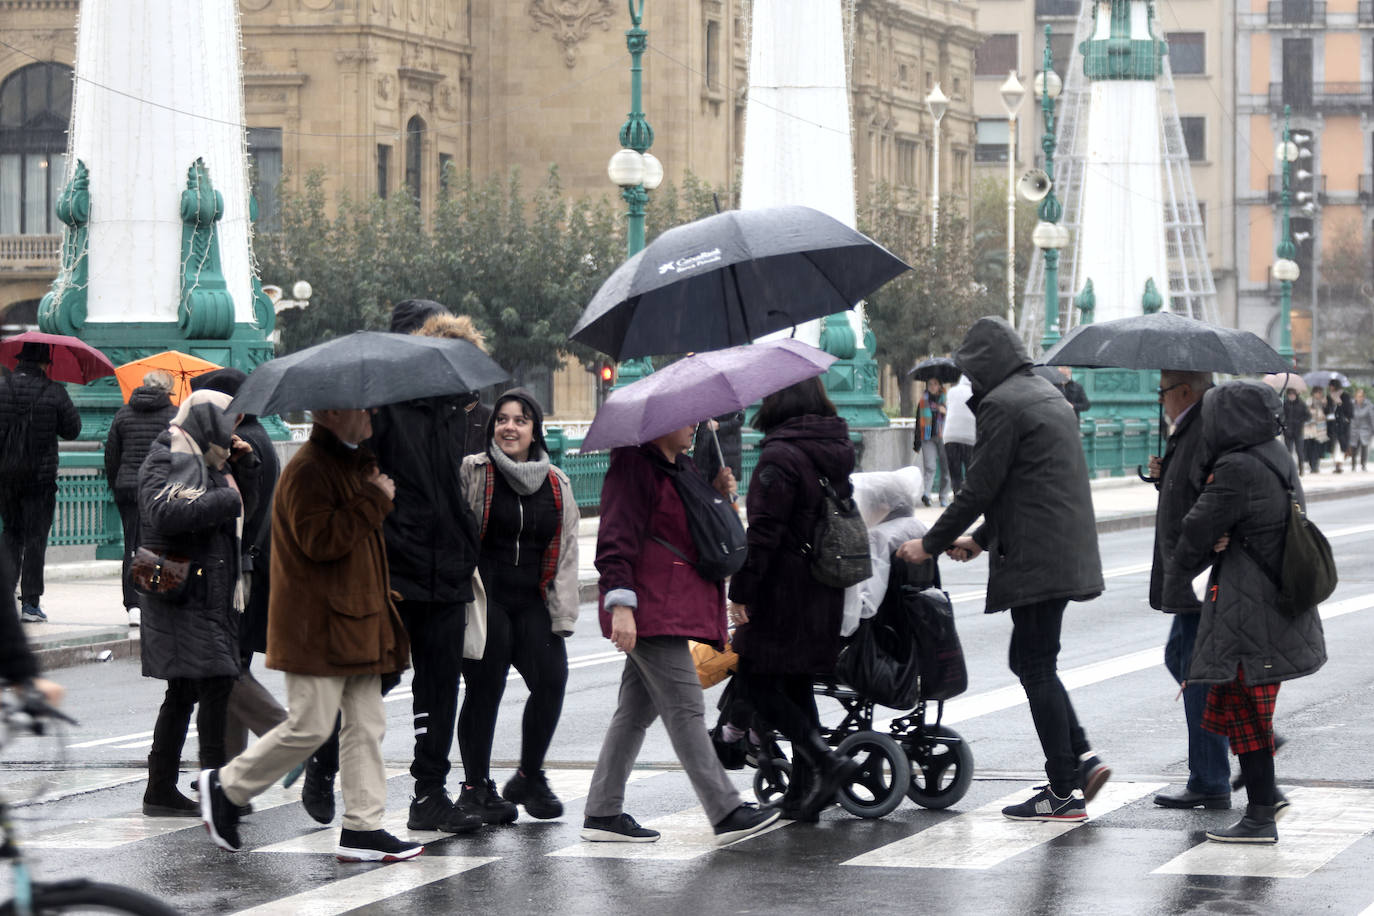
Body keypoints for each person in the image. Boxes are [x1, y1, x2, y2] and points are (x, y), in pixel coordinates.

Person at [897, 316, 1109, 821]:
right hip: (1060, 549)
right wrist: (982, 540)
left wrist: (930, 544)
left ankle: (1064, 790)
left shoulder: (1003, 405)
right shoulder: (1047, 395)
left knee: (1035, 667)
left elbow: (981, 487)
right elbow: (1030, 485)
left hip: (1039, 559)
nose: (970, 384)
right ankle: (1080, 760)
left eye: (972, 373)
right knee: (1029, 661)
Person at [296, 303, 491, 833]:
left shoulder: (461, 414)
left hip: (447, 564)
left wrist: (467, 542)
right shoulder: (381, 411)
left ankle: (430, 793)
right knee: (373, 677)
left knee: (441, 686)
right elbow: (352, 472)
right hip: (397, 566)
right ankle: (324, 759)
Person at [198, 406, 423, 863]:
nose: (372, 416)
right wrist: (374, 500)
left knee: (367, 725)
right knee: (311, 726)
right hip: (316, 625)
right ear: (333, 413)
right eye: (364, 410)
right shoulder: (309, 469)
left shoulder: (352, 462)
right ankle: (226, 786)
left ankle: (364, 827)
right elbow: (321, 540)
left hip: (357, 620)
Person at [583, 423, 778, 846]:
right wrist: (621, 606)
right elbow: (615, 540)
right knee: (687, 707)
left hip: (669, 605)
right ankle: (725, 810)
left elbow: (691, 531)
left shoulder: (679, 466)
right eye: (687, 419)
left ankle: (602, 811)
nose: (694, 425)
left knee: (634, 712)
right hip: (651, 607)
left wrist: (717, 493)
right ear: (662, 423)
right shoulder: (632, 466)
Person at [1171, 380, 1326, 844]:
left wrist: (1188, 558)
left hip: (1248, 608)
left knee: (1244, 709)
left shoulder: (1236, 466)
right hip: (1271, 601)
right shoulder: (1274, 454)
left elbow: (1197, 527)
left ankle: (1260, 815)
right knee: (1236, 705)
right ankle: (1265, 797)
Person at [726, 378, 861, 823]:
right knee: (797, 683)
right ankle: (804, 793)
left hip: (782, 590)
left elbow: (764, 533)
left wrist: (741, 591)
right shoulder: (834, 447)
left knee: (755, 679)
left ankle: (825, 761)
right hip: (822, 584)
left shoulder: (779, 456)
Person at [457, 389, 578, 822]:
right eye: (503, 419)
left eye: (521, 420)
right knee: (486, 686)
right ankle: (475, 788)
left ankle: (529, 776)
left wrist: (562, 613)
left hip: (532, 598)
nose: (510, 427)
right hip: (484, 595)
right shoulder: (475, 472)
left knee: (552, 679)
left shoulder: (557, 483)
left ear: (534, 431)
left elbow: (565, 554)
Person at [136, 390, 258, 817]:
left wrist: (244, 467)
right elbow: (161, 513)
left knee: (191, 688)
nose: (233, 431)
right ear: (207, 420)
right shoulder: (168, 454)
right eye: (228, 422)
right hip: (182, 590)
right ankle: (212, 788)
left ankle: (162, 789)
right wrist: (227, 495)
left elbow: (243, 514)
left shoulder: (210, 460)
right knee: (214, 681)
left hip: (204, 590)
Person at [187, 369, 288, 766]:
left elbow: (237, 517)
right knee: (229, 670)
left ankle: (282, 741)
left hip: (238, 574)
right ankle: (229, 773)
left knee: (224, 670)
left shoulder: (244, 449)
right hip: (251, 570)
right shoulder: (258, 439)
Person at [1144, 371, 1231, 811]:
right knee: (1182, 660)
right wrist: (1164, 475)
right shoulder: (1190, 429)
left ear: (1184, 392)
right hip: (1191, 568)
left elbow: (1215, 492)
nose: (1160, 399)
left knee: (1194, 667)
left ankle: (1212, 777)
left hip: (1199, 571)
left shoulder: (1204, 429)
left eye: (1163, 391)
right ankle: (1233, 738)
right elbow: (1192, 488)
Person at [0, 342, 81, 623]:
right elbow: (73, 430)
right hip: (40, 478)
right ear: (45, 364)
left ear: (19, 361)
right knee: (35, 539)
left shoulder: (2, 387)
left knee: (11, 534)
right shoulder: (54, 391)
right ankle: (31, 605)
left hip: (6, 476)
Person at [105, 370, 177, 628]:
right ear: (167, 390)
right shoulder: (174, 415)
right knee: (161, 544)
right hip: (161, 488)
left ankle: (133, 605)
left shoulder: (123, 413)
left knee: (132, 545)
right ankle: (158, 598)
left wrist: (118, 483)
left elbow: (111, 455)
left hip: (129, 489)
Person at [914, 377, 951, 507]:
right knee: (930, 466)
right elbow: (918, 422)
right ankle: (926, 495)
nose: (932, 386)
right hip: (927, 437)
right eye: (930, 384)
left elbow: (955, 417)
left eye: (935, 384)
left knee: (946, 468)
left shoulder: (947, 400)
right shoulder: (923, 401)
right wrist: (916, 443)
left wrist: (946, 412)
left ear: (940, 386)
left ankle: (943, 496)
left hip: (944, 437)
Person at [942, 375, 975, 496]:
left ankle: (957, 496)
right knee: (970, 472)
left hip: (950, 437)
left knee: (955, 474)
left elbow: (949, 406)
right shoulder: (976, 392)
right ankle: (969, 499)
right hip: (969, 438)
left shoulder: (952, 391)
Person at [1280, 388, 1309, 475]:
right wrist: (1284, 425)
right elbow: (1281, 416)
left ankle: (1301, 468)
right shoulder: (1285, 404)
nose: (1291, 396)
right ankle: (1290, 469)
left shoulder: (1301, 404)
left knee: (1299, 451)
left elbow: (1307, 416)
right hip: (1288, 431)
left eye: (1293, 394)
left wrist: (1300, 421)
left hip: (1298, 430)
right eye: (1290, 394)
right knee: (1288, 451)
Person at [1328, 380, 1354, 474]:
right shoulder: (1329, 396)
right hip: (1332, 424)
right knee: (1334, 445)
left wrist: (1339, 403)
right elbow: (1328, 409)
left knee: (1340, 444)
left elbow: (1350, 411)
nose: (1330, 388)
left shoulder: (1345, 396)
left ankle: (1338, 465)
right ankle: (1337, 464)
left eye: (1332, 386)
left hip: (1343, 425)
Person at [1304, 388, 1328, 474]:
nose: (1319, 394)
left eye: (1320, 393)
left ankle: (1316, 465)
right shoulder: (1309, 401)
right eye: (1318, 393)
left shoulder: (1323, 402)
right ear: (1314, 393)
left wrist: (1325, 405)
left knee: (1318, 448)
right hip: (1310, 429)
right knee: (1311, 448)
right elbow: (1307, 413)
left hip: (1320, 429)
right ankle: (1312, 466)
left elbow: (1327, 412)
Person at [1350, 387, 1373, 471]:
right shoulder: (1351, 404)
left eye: (1361, 396)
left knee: (1364, 448)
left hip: (1365, 430)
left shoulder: (1369, 405)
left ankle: (1363, 465)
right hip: (1354, 430)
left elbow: (1372, 418)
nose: (1359, 398)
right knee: (1354, 448)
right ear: (1355, 397)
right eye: (1358, 396)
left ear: (1364, 397)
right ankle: (1353, 465)